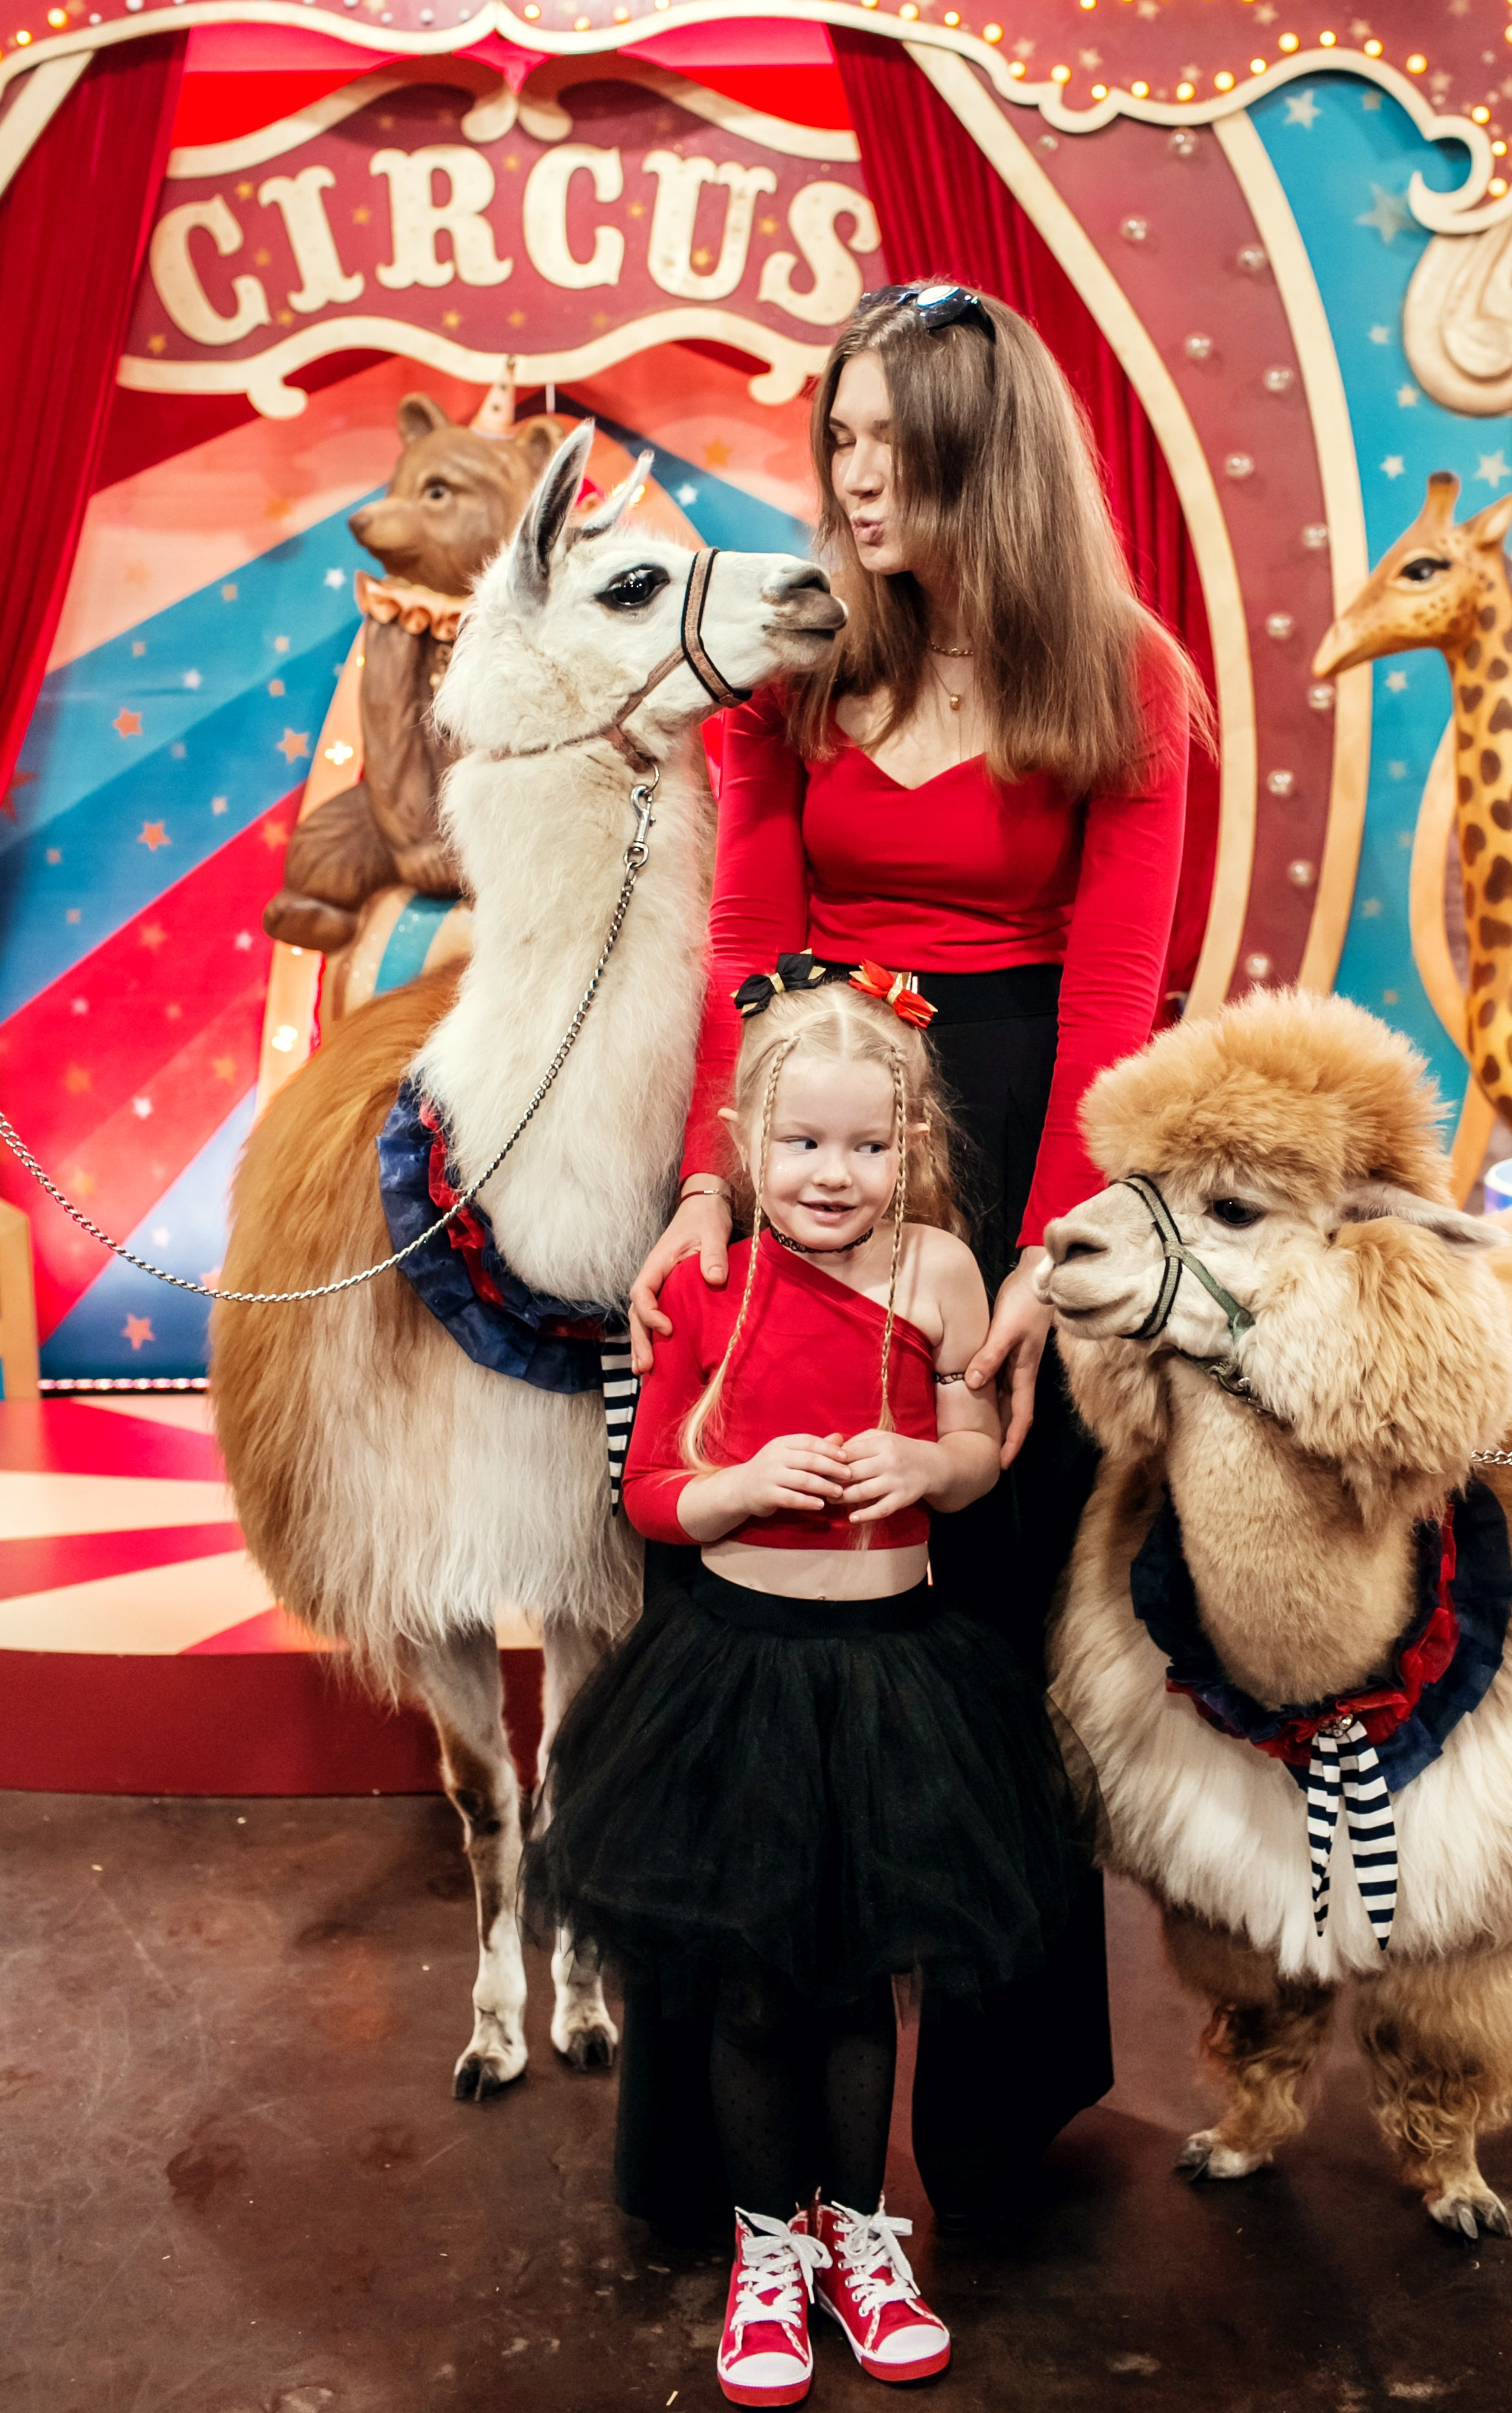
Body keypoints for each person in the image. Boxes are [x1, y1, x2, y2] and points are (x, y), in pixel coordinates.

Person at [628, 279, 1202, 2221]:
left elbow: (1117, 989)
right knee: (760, 1602)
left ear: (989, 453)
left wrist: (1049, 1249)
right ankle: (737, 2134)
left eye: (893, 445)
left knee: (992, 1613)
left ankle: (990, 2109)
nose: (852, 480)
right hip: (801, 1133)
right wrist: (712, 1181)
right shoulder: (796, 661)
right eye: (840, 443)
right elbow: (743, 936)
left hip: (1020, 1143)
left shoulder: (1127, 681)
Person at [527, 966, 1084, 2406]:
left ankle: (857, 2232)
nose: (831, 1174)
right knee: (757, 1994)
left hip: (895, 1678)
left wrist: (932, 1469)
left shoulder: (942, 1271)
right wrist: (736, 1487)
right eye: (800, 1143)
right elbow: (650, 1490)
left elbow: (976, 1441)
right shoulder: (708, 1276)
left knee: (862, 1994)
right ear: (744, 1141)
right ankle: (765, 2245)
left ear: (912, 1146)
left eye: (864, 1146)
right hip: (740, 1678)